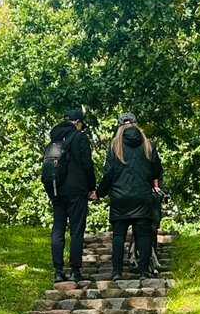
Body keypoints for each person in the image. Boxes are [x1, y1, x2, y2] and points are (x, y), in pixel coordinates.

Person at [98, 115, 163, 280]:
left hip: (120, 198)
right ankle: (143, 272)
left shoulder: (115, 146)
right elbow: (156, 172)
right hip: (142, 196)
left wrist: (99, 193)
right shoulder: (148, 145)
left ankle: (117, 272)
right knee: (143, 235)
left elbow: (108, 174)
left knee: (119, 236)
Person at [46, 108, 97, 284]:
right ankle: (75, 271)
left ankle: (58, 271)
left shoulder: (54, 138)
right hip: (77, 190)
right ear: (77, 122)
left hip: (56, 189)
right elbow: (87, 164)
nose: (82, 128)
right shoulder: (79, 137)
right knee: (76, 230)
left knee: (58, 229)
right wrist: (91, 187)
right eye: (81, 124)